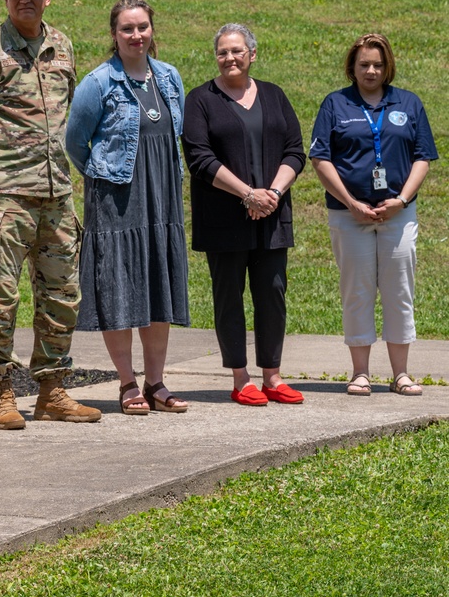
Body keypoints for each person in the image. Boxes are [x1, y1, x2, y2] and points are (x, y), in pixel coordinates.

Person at [0, 0, 101, 430]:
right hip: (4, 197)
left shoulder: (62, 47)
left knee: (62, 294)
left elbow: (65, 111)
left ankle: (52, 390)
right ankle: (2, 392)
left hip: (55, 193)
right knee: (0, 298)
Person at [65, 0, 189, 416]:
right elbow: (74, 143)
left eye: (142, 27)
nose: (136, 35)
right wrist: (104, 173)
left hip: (163, 199)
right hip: (116, 202)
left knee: (157, 286)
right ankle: (127, 383)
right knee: (119, 289)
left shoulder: (170, 78)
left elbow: (176, 135)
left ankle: (156, 382)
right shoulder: (98, 83)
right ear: (114, 35)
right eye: (127, 29)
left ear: (152, 30)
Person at [182, 23, 307, 406]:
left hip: (272, 215)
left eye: (237, 51)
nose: (230, 58)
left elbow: (295, 151)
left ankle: (273, 375)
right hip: (224, 219)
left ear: (252, 54)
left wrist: (271, 193)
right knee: (229, 297)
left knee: (272, 293)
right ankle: (240, 377)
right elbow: (199, 159)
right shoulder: (200, 99)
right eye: (223, 52)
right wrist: (247, 194)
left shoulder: (274, 95)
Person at [309, 33, 438, 396]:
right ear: (352, 66)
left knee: (399, 291)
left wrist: (402, 199)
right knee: (357, 291)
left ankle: (401, 374)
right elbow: (320, 159)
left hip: (398, 214)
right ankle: (360, 373)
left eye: (378, 65)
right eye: (364, 64)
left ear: (388, 67)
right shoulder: (335, 104)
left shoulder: (408, 103)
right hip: (350, 216)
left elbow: (423, 157)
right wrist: (351, 203)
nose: (370, 70)